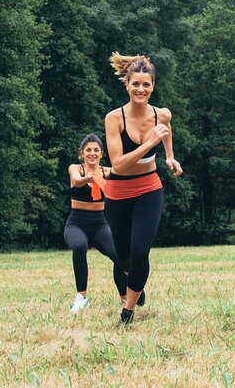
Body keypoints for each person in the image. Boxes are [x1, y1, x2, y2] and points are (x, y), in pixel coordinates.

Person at [105, 52, 183, 325]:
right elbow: (118, 165)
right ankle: (135, 284)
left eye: (146, 85)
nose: (141, 89)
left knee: (140, 252)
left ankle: (127, 311)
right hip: (118, 193)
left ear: (153, 86)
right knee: (124, 257)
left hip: (149, 188)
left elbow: (166, 128)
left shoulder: (162, 114)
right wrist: (150, 144)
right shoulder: (114, 119)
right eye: (135, 84)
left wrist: (169, 155)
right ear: (127, 84)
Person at [64, 133, 144, 314]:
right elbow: (76, 181)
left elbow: (128, 180)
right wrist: (89, 179)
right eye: (88, 150)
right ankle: (81, 298)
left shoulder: (109, 172)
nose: (92, 153)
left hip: (100, 223)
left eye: (96, 150)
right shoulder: (76, 168)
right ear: (82, 153)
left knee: (120, 255)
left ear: (101, 154)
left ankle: (127, 295)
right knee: (79, 246)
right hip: (76, 222)